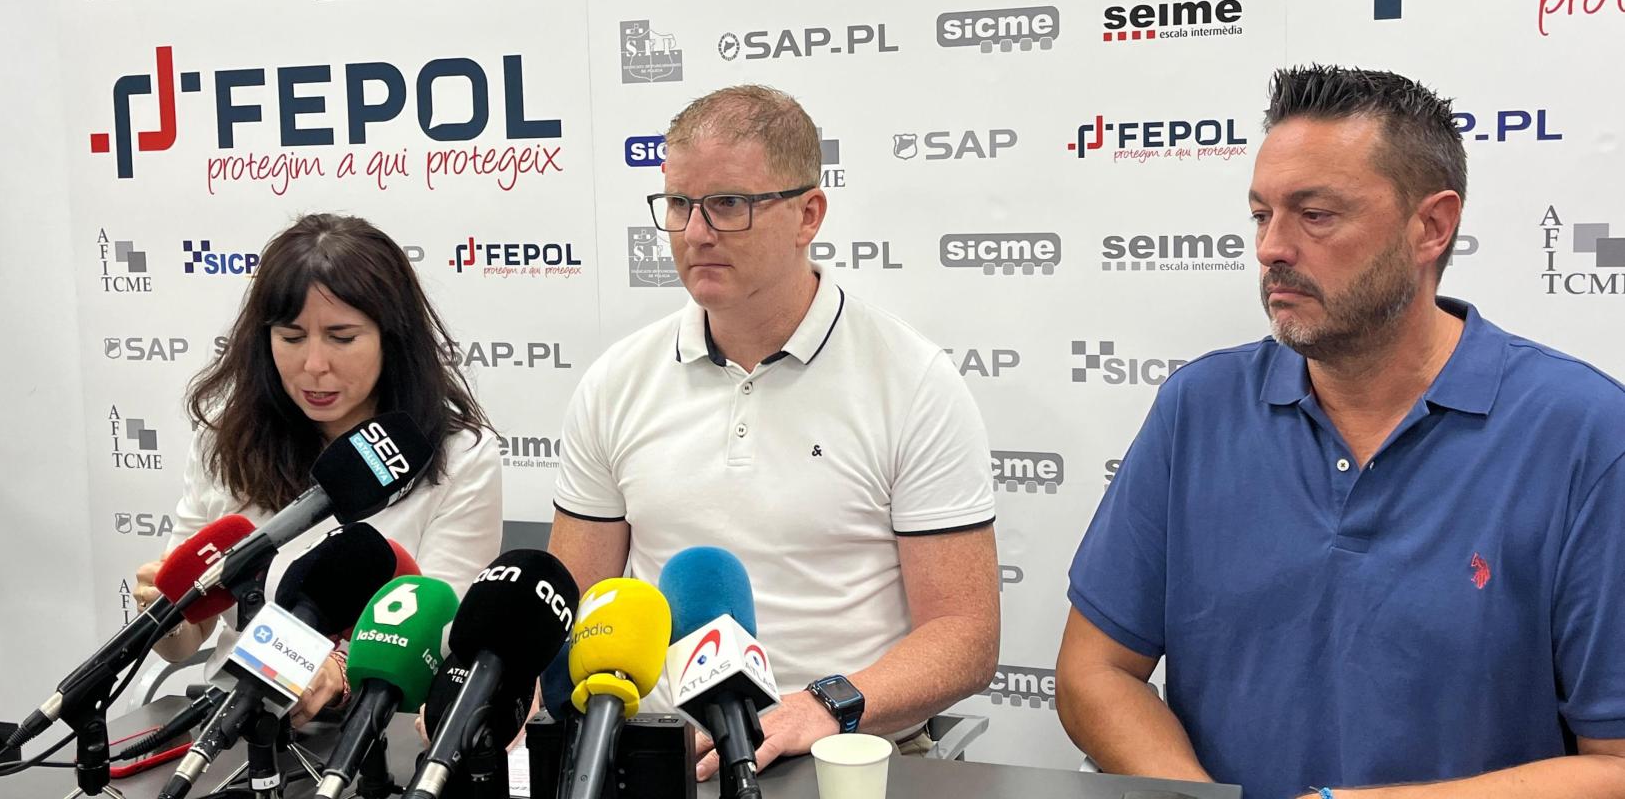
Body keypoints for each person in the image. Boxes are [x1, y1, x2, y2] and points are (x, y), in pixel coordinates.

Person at [1055, 66, 1625, 799]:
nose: (1271, 248)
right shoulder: (1197, 409)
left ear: (1431, 226)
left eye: (1315, 215)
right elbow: (1095, 671)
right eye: (1261, 215)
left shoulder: (1584, 433)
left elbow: (1615, 764)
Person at [549, 85, 1000, 779]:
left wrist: (821, 706)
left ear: (808, 215)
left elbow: (964, 635)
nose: (695, 233)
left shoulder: (912, 381)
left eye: (729, 205)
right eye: (679, 204)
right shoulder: (617, 380)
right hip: (653, 755)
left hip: (841, 751)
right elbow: (574, 599)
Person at [131, 213, 503, 726]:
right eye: (291, 336)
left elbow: (437, 636)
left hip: (377, 727)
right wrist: (165, 612)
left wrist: (340, 672)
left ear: (391, 337)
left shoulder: (460, 456)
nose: (313, 365)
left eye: (342, 337)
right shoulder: (227, 440)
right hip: (231, 719)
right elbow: (186, 638)